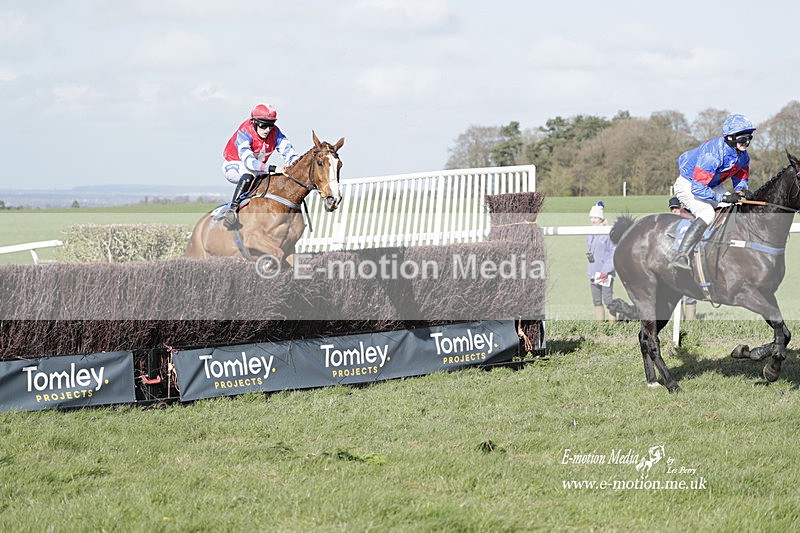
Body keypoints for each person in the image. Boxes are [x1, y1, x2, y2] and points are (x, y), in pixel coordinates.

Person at [670, 114, 756, 270]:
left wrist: (742, 190)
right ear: (730, 137)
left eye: (749, 138)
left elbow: (740, 176)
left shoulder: (742, 155)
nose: (747, 142)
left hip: (711, 184)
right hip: (689, 184)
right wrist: (723, 196)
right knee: (707, 213)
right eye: (743, 139)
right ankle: (681, 255)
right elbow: (698, 188)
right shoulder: (712, 154)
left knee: (736, 207)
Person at [221, 103, 300, 228]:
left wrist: (297, 168)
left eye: (271, 125)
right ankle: (232, 210)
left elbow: (289, 153)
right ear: (254, 122)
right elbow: (249, 162)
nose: (268, 130)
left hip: (258, 168)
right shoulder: (244, 131)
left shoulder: (275, 132)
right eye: (263, 125)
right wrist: (274, 168)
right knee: (249, 175)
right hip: (234, 165)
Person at [586, 201, 617, 322]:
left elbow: (613, 254)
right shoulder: (590, 232)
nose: (593, 220)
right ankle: (600, 326)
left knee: (608, 300)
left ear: (601, 218)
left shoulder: (608, 233)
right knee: (597, 301)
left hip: (605, 273)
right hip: (593, 273)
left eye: (595, 217)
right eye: (591, 217)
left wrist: (605, 271)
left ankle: (612, 325)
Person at [667, 197, 697, 319]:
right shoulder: (673, 222)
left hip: (689, 260)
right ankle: (681, 320)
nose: (674, 211)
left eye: (676, 208)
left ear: (682, 207)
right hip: (677, 259)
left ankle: (690, 320)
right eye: (672, 209)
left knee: (689, 294)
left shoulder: (688, 218)